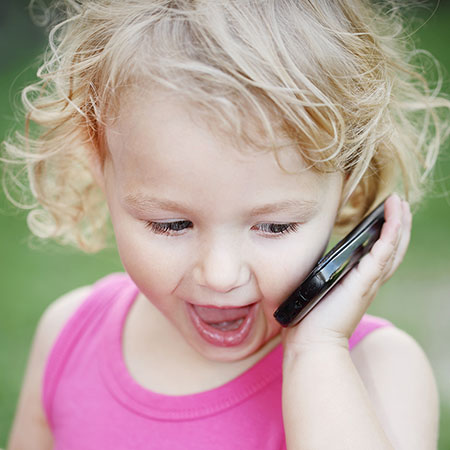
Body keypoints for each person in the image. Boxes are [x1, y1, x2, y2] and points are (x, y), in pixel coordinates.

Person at [3, 1, 449, 448]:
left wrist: (317, 354)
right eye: (173, 224)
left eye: (274, 227)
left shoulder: (380, 370)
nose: (219, 275)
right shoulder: (69, 336)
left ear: (346, 184)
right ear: (100, 165)